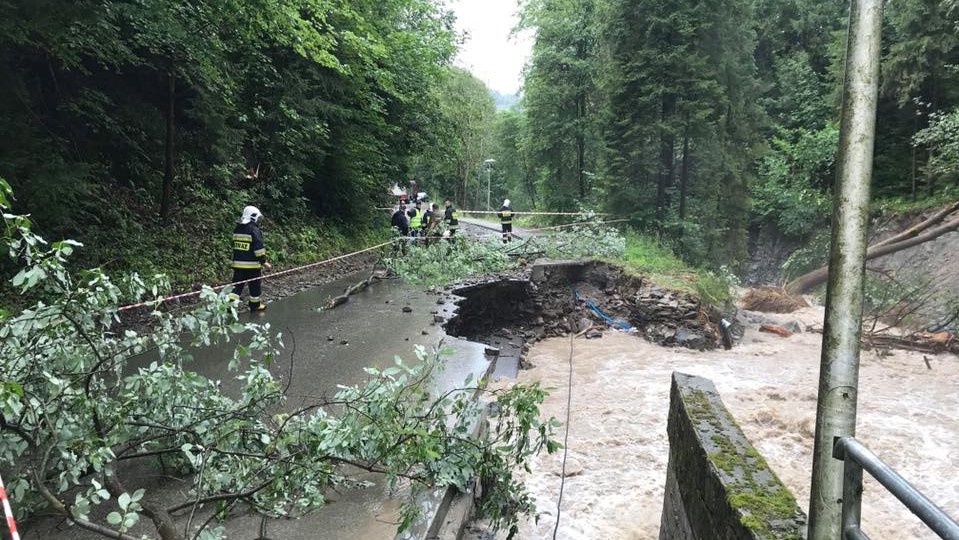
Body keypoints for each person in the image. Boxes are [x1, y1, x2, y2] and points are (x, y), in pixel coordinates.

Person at [230, 205, 271, 312]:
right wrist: (264, 262)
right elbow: (258, 248)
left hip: (238, 265)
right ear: (254, 216)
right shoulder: (254, 229)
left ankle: (229, 306)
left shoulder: (237, 228)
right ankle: (255, 305)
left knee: (237, 286)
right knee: (254, 286)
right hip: (252, 266)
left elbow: (234, 245)